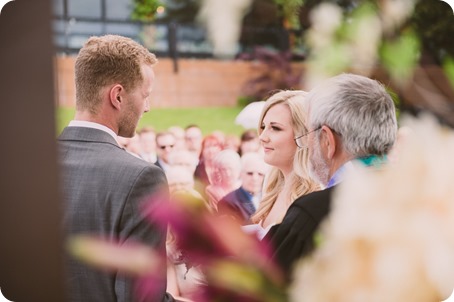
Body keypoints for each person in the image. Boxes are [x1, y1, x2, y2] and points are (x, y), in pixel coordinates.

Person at [57, 35, 174, 302]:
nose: (148, 107)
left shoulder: (23, 167)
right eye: (145, 95)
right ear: (118, 96)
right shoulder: (143, 178)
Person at [265, 73, 398, 279]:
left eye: (307, 136)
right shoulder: (426, 202)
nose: (307, 147)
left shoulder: (316, 214)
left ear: (327, 140)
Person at [245, 90, 320, 240]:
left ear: (305, 136)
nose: (262, 137)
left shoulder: (315, 200)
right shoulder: (273, 186)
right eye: (263, 126)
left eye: (276, 128)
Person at [217, 152, 269, 224]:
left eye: (260, 174)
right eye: (250, 173)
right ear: (241, 174)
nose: (255, 178)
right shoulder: (227, 202)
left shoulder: (269, 198)